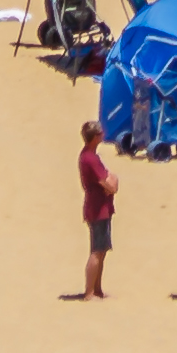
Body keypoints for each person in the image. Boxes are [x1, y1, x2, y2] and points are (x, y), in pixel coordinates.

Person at [76, 120, 117, 303]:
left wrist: (111, 182)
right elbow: (107, 183)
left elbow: (109, 180)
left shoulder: (91, 156)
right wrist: (112, 183)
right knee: (97, 250)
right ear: (95, 137)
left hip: (102, 207)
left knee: (102, 250)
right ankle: (89, 292)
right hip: (97, 208)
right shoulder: (90, 158)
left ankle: (97, 289)